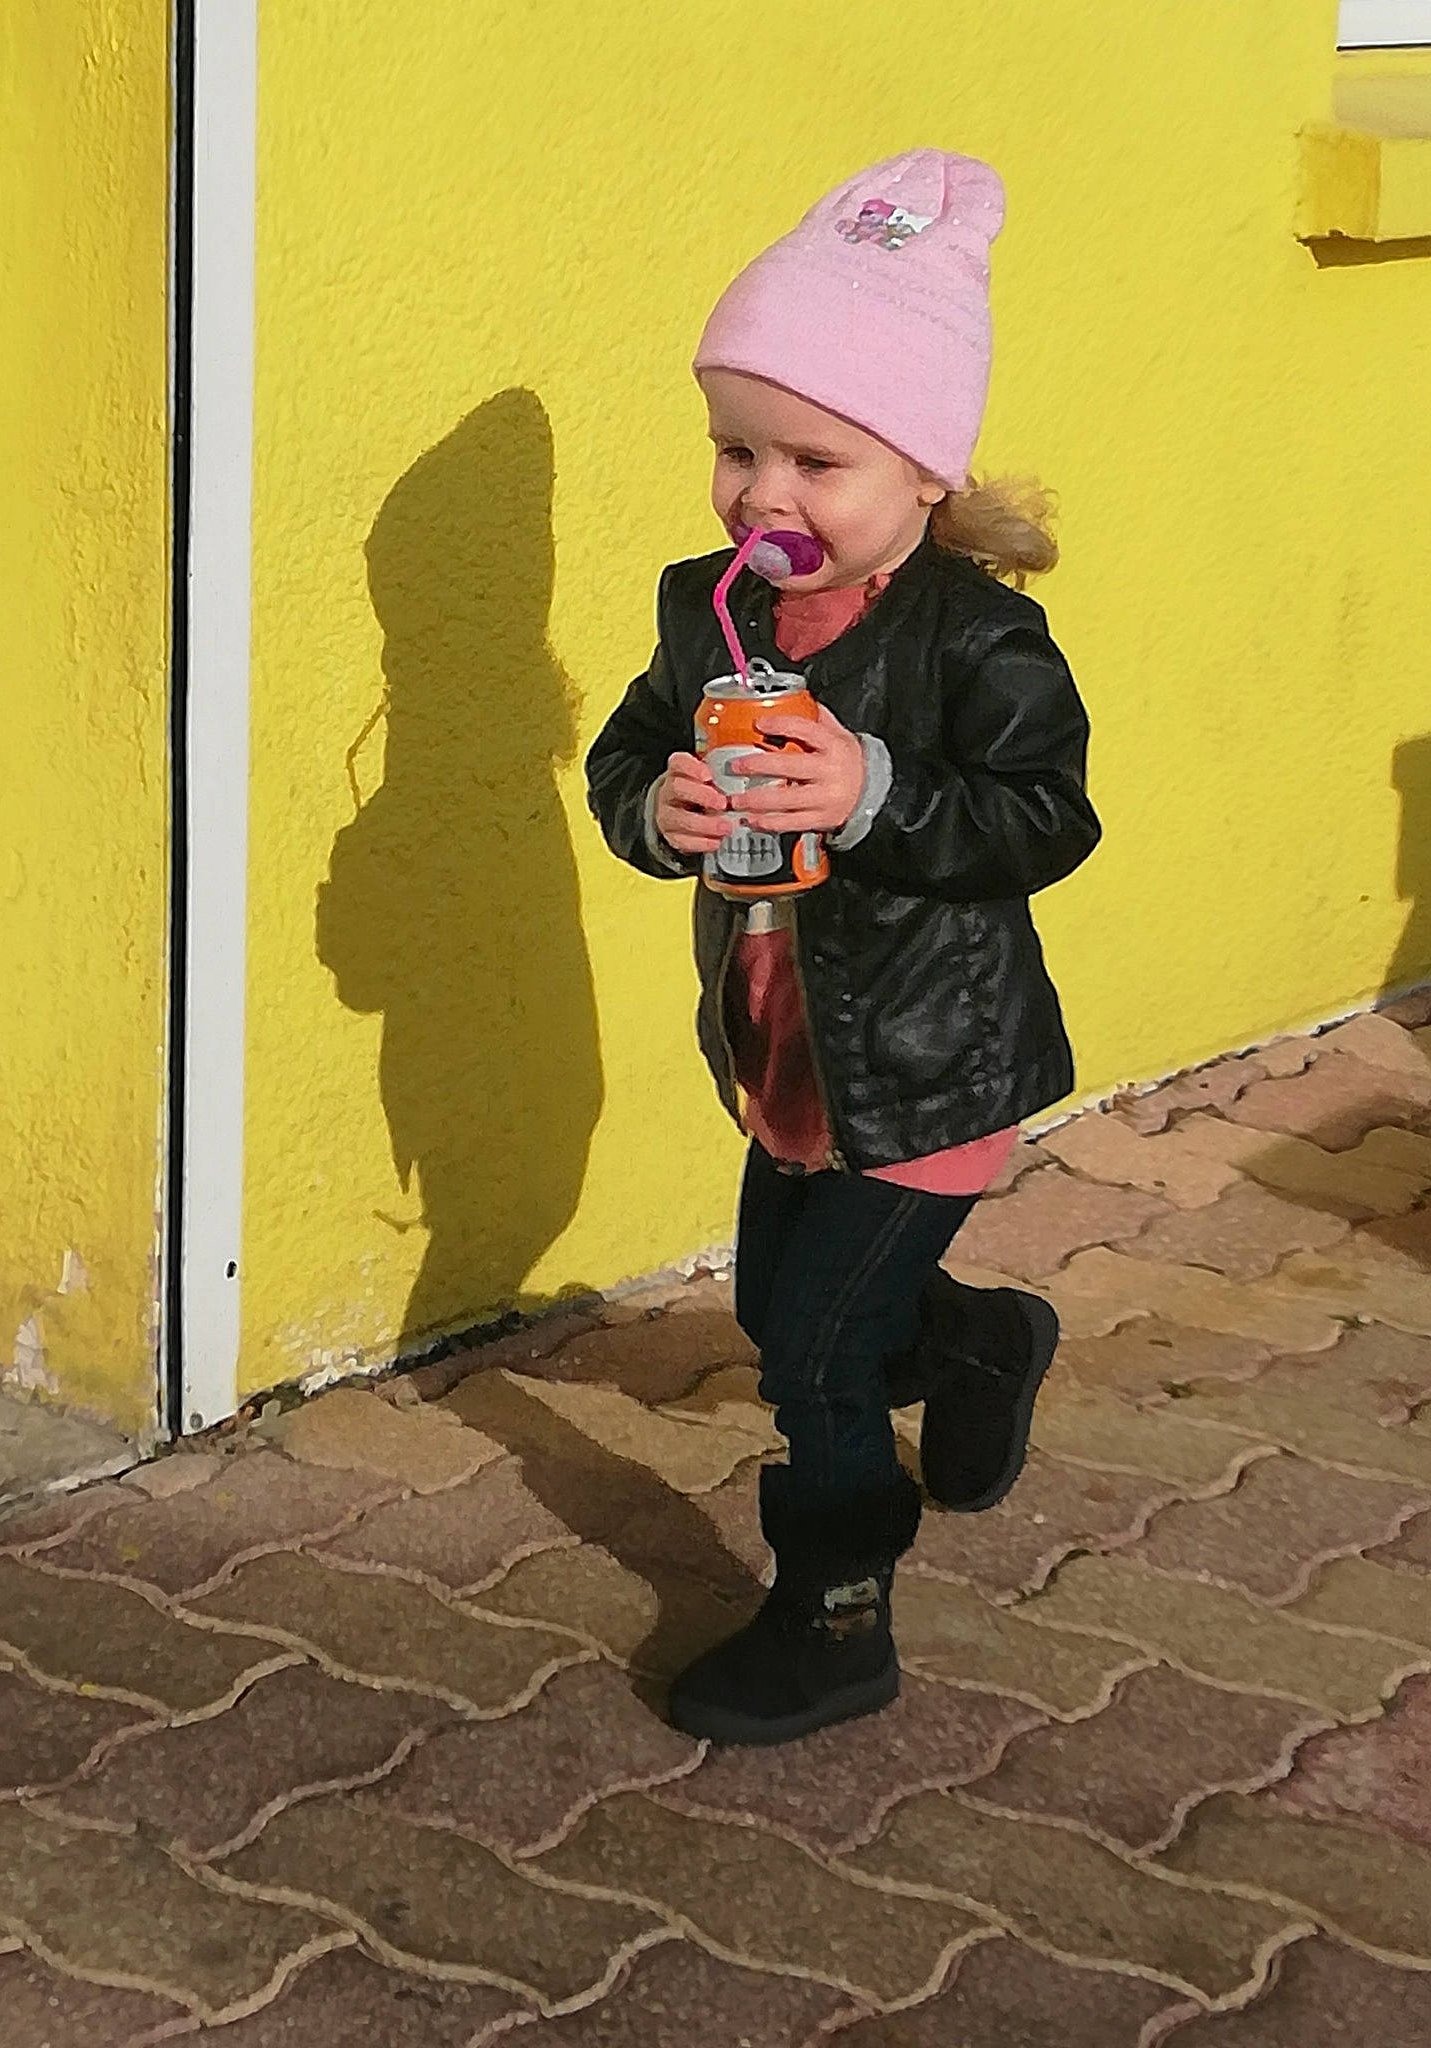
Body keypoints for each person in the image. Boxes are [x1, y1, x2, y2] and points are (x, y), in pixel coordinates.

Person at [585, 150, 1101, 1746]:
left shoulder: (976, 636)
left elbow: (1044, 819)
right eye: (737, 450)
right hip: (783, 1053)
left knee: (809, 1353)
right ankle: (978, 1335)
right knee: (780, 1312)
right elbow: (626, 751)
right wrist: (652, 808)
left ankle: (837, 1617)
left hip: (936, 1067)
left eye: (819, 459)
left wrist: (874, 788)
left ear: (924, 478)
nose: (766, 497)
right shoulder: (704, 612)